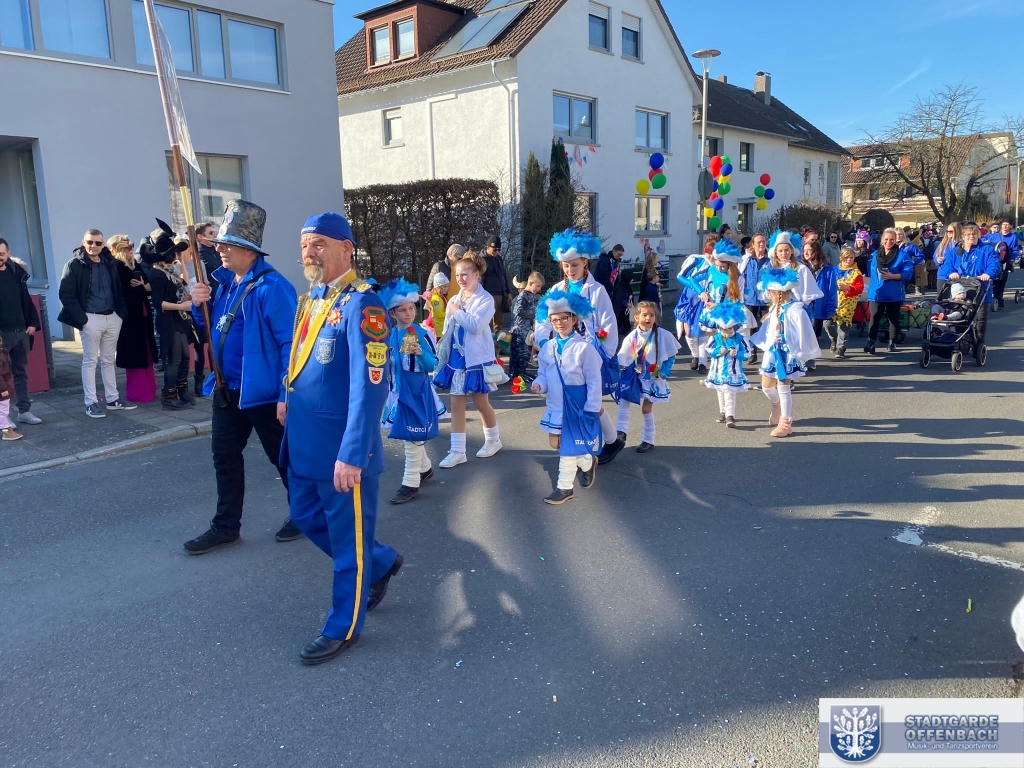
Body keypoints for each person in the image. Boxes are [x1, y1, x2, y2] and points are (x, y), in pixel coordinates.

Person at [280, 211, 403, 665]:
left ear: (346, 249)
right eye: (304, 245)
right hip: (303, 439)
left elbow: (370, 386)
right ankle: (381, 560)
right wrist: (285, 395)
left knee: (349, 543)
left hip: (340, 448)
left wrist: (354, 452)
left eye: (318, 244)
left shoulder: (362, 305)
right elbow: (299, 356)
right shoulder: (310, 300)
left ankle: (343, 626)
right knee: (303, 515)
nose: (308, 252)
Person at [183, 200, 300, 554]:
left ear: (249, 250)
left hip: (263, 393)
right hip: (226, 390)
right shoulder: (224, 284)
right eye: (219, 243)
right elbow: (211, 329)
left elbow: (290, 343)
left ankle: (306, 514)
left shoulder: (272, 286)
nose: (220, 250)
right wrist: (198, 305)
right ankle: (225, 527)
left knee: (284, 458)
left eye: (227, 245)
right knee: (225, 458)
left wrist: (285, 392)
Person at [533, 229, 623, 465]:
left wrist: (601, 352)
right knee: (570, 402)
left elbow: (607, 324)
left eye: (574, 265)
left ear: (584, 262)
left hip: (587, 354)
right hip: (563, 354)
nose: (570, 270)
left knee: (588, 401)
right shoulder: (555, 290)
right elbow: (542, 321)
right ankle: (591, 445)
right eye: (566, 266)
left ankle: (606, 442)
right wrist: (544, 344)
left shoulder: (597, 291)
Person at [530, 290, 602, 504]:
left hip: (577, 406)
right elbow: (543, 373)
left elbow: (594, 381)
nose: (559, 323)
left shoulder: (584, 348)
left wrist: (592, 407)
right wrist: (538, 384)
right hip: (555, 405)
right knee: (556, 443)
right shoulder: (548, 347)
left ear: (573, 319)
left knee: (567, 448)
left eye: (564, 318)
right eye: (554, 319)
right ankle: (587, 462)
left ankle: (565, 488)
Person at [433, 250, 503, 466]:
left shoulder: (485, 299)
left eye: (465, 274)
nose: (460, 279)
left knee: (481, 402)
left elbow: (475, 326)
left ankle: (493, 440)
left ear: (476, 275)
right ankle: (457, 451)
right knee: (456, 405)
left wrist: (456, 311)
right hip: (456, 359)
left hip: (477, 359)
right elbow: (448, 330)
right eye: (457, 275)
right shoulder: (455, 298)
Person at [379, 278, 445, 505]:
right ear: (392, 313)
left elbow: (433, 364)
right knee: (409, 433)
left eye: (411, 308)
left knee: (410, 436)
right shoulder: (388, 334)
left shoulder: (421, 332)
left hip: (417, 392)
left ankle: (410, 483)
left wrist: (420, 353)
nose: (408, 313)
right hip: (397, 392)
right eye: (402, 310)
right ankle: (424, 468)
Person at [57, 229, 134, 418]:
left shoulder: (109, 262)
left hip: (112, 317)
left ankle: (113, 399)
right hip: (90, 318)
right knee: (90, 360)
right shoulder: (74, 265)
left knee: (108, 359)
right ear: (83, 242)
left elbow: (118, 289)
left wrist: (120, 314)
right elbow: (66, 294)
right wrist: (82, 320)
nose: (93, 246)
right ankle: (91, 402)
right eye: (90, 242)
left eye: (98, 243)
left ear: (103, 244)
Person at [751, 267, 821, 438]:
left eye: (770, 292)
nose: (768, 295)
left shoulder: (797, 310)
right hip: (772, 353)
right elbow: (768, 331)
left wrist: (797, 350)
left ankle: (785, 423)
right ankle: (777, 405)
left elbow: (805, 333)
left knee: (784, 387)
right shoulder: (775, 308)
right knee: (767, 387)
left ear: (779, 293)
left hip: (787, 355)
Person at [142, 223, 197, 410]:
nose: (176, 255)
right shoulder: (157, 273)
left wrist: (181, 261)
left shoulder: (170, 271)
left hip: (179, 319)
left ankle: (183, 391)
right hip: (167, 320)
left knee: (185, 356)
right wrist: (181, 306)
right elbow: (159, 303)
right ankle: (169, 396)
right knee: (174, 359)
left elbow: (185, 282)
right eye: (174, 252)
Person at [615, 300, 680, 450]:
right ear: (636, 317)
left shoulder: (663, 335)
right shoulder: (632, 336)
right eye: (644, 315)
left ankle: (648, 440)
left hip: (653, 378)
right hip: (634, 376)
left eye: (651, 315)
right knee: (624, 400)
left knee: (646, 409)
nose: (648, 318)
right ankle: (621, 433)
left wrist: (664, 372)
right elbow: (622, 357)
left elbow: (671, 355)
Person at [107, 234, 157, 403]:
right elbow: (118, 292)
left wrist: (141, 285)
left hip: (142, 313)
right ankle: (137, 392)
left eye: (132, 246)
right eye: (128, 247)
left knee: (146, 352)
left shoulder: (135, 264)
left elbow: (148, 286)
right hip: (128, 317)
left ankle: (149, 389)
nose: (131, 250)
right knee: (135, 354)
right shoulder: (115, 266)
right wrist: (137, 287)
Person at [0, 238, 42, 426]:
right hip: (1, 335)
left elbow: (25, 298)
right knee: (1, 377)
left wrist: (32, 322)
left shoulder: (16, 272)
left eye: (1, 254)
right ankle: (3, 417)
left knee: (21, 373)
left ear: (8, 254)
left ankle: (24, 411)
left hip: (21, 331)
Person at [937, 223, 999, 345]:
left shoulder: (986, 250)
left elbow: (994, 264)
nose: (971, 236)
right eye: (968, 234)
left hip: (981, 288)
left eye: (974, 234)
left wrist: (988, 274)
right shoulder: (956, 251)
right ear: (963, 236)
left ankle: (979, 343)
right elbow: (947, 264)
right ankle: (961, 340)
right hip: (960, 288)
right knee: (960, 315)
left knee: (980, 318)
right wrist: (951, 272)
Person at [864, 228, 915, 355]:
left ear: (896, 240)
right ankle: (871, 343)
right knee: (874, 318)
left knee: (893, 318)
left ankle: (892, 342)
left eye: (892, 239)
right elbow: (870, 272)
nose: (889, 242)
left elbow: (908, 273)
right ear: (882, 240)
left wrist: (894, 276)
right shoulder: (874, 255)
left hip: (894, 293)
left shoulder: (902, 255)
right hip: (876, 293)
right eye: (886, 239)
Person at [703, 301, 751, 428]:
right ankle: (723, 412)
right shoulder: (715, 338)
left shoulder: (741, 339)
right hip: (717, 372)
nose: (726, 332)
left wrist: (737, 354)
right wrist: (719, 351)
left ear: (735, 326)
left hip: (732, 372)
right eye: (723, 329)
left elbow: (747, 354)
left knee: (729, 393)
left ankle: (730, 416)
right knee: (720, 391)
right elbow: (708, 350)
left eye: (729, 328)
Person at [674, 234, 716, 370]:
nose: (711, 257)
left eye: (714, 253)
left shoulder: (720, 265)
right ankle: (695, 356)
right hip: (690, 299)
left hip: (708, 301)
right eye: (709, 253)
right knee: (689, 331)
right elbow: (680, 276)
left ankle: (703, 362)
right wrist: (698, 290)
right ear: (705, 251)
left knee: (705, 330)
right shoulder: (696, 260)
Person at [802, 240, 839, 369]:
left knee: (813, 334)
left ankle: (810, 359)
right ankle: (803, 358)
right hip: (804, 306)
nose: (806, 253)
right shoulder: (801, 267)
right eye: (804, 250)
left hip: (818, 305)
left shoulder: (827, 269)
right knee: (803, 333)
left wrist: (831, 308)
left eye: (809, 250)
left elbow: (832, 290)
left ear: (816, 251)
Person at [824, 247, 864, 359]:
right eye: (846, 257)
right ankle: (834, 340)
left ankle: (841, 347)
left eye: (851, 257)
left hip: (847, 303)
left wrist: (848, 287)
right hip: (833, 301)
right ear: (841, 258)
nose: (849, 260)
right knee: (827, 324)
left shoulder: (856, 273)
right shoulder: (833, 270)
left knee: (843, 325)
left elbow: (860, 288)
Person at [768, 231, 822, 306]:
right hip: (778, 307)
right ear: (776, 253)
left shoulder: (801, 269)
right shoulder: (773, 269)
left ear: (792, 251)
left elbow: (808, 294)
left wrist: (801, 307)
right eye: (780, 251)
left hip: (797, 307)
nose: (784, 253)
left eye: (786, 250)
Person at [509, 271, 544, 381]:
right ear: (531, 283)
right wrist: (534, 311)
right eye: (537, 286)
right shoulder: (523, 295)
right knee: (521, 354)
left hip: (525, 330)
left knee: (523, 354)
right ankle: (518, 375)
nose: (539, 289)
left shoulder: (530, 295)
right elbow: (518, 311)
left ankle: (522, 372)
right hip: (519, 330)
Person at [740, 234, 769, 364]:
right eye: (759, 242)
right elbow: (741, 277)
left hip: (765, 299)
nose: (761, 244)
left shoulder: (770, 260)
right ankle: (752, 352)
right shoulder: (746, 260)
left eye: (763, 242)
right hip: (750, 298)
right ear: (753, 244)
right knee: (751, 326)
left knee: (768, 325)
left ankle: (768, 352)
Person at [480, 235, 512, 335]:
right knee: (487, 322)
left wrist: (508, 292)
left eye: (499, 250)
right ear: (488, 247)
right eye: (495, 249)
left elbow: (504, 276)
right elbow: (480, 279)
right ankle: (488, 342)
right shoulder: (481, 259)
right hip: (488, 294)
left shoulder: (499, 259)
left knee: (499, 323)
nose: (497, 252)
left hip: (500, 294)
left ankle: (497, 344)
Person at [984, 219, 1020, 310]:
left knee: (1001, 281)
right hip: (993, 261)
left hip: (1005, 261)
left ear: (1011, 226)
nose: (1005, 226)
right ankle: (998, 301)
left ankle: (999, 299)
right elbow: (982, 240)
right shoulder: (993, 236)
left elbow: (1015, 250)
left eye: (1007, 224)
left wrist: (1012, 258)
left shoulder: (1013, 237)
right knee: (995, 280)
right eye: (1003, 224)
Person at [0, 335, 23, 440]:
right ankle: (6, 432)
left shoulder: (2, 353)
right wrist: (3, 389)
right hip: (2, 390)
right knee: (3, 411)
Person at [895, 227, 925, 296]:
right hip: (894, 270)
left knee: (902, 292)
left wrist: (912, 263)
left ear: (903, 235)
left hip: (905, 271)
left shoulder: (910, 246)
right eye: (896, 234)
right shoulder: (891, 246)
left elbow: (920, 256)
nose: (898, 236)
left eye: (900, 234)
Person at [195, 222, 222, 295]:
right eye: (211, 233)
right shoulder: (199, 253)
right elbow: (215, 266)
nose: (214, 235)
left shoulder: (216, 249)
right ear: (200, 236)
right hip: (212, 292)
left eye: (214, 233)